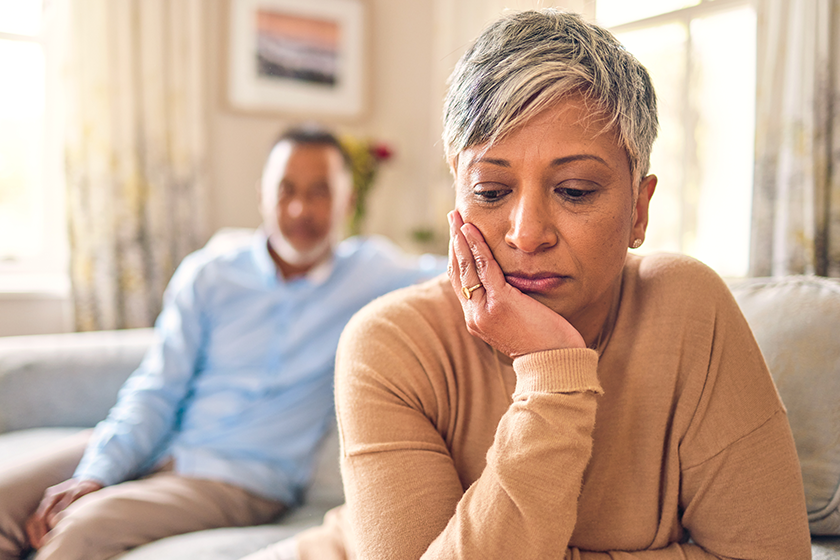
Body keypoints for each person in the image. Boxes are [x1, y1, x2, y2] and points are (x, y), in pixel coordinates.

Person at [274, 9, 812, 560]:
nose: (526, 234)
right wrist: (553, 377)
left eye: (575, 190)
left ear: (638, 211)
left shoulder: (688, 310)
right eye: (490, 192)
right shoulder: (389, 343)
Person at [0, 125, 443, 560]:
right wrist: (98, 471)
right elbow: (158, 387)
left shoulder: (373, 272)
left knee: (81, 527)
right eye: (286, 190)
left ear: (348, 200)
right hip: (163, 446)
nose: (299, 210)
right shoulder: (211, 273)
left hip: (240, 479)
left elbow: (456, 269)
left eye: (320, 192)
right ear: (262, 196)